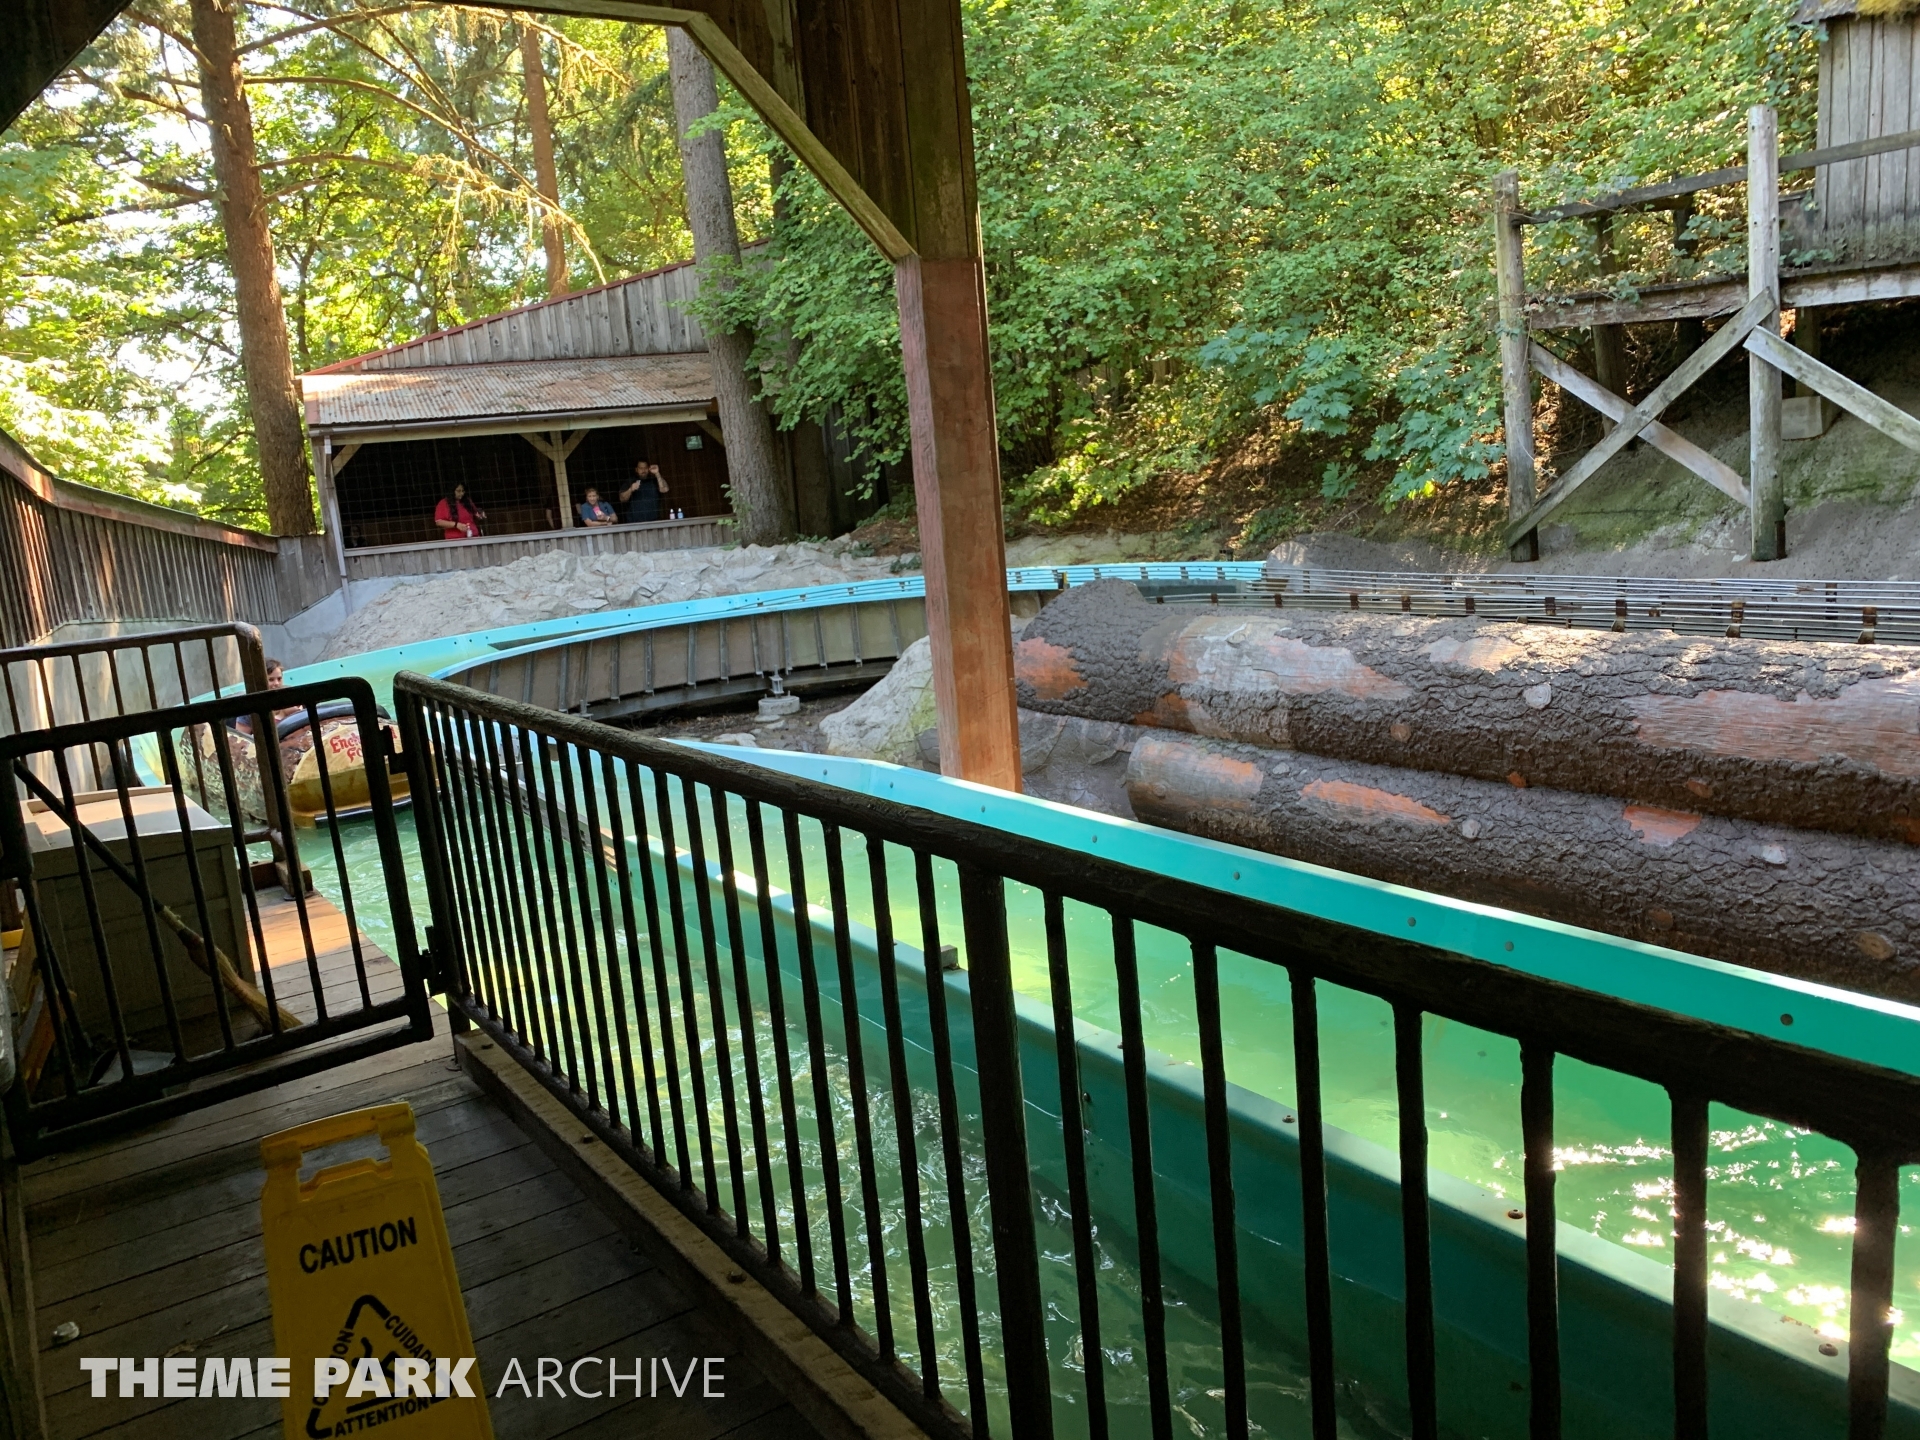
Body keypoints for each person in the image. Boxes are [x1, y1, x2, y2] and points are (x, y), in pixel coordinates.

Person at [618, 456, 671, 524]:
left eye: (645, 468)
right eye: (641, 468)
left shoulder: (654, 480)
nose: (643, 470)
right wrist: (631, 489)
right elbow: (622, 499)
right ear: (636, 469)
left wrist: (657, 473)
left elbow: (665, 489)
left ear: (649, 469)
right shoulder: (630, 481)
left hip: (654, 522)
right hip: (634, 523)